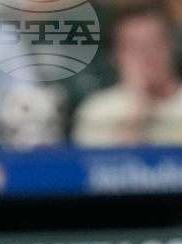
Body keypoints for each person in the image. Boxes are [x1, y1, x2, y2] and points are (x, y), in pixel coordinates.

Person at [73, 4, 182, 146]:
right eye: (134, 47)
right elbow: (101, 166)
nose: (148, 56)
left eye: (155, 43)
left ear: (172, 45)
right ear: (114, 55)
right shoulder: (96, 110)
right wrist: (136, 111)